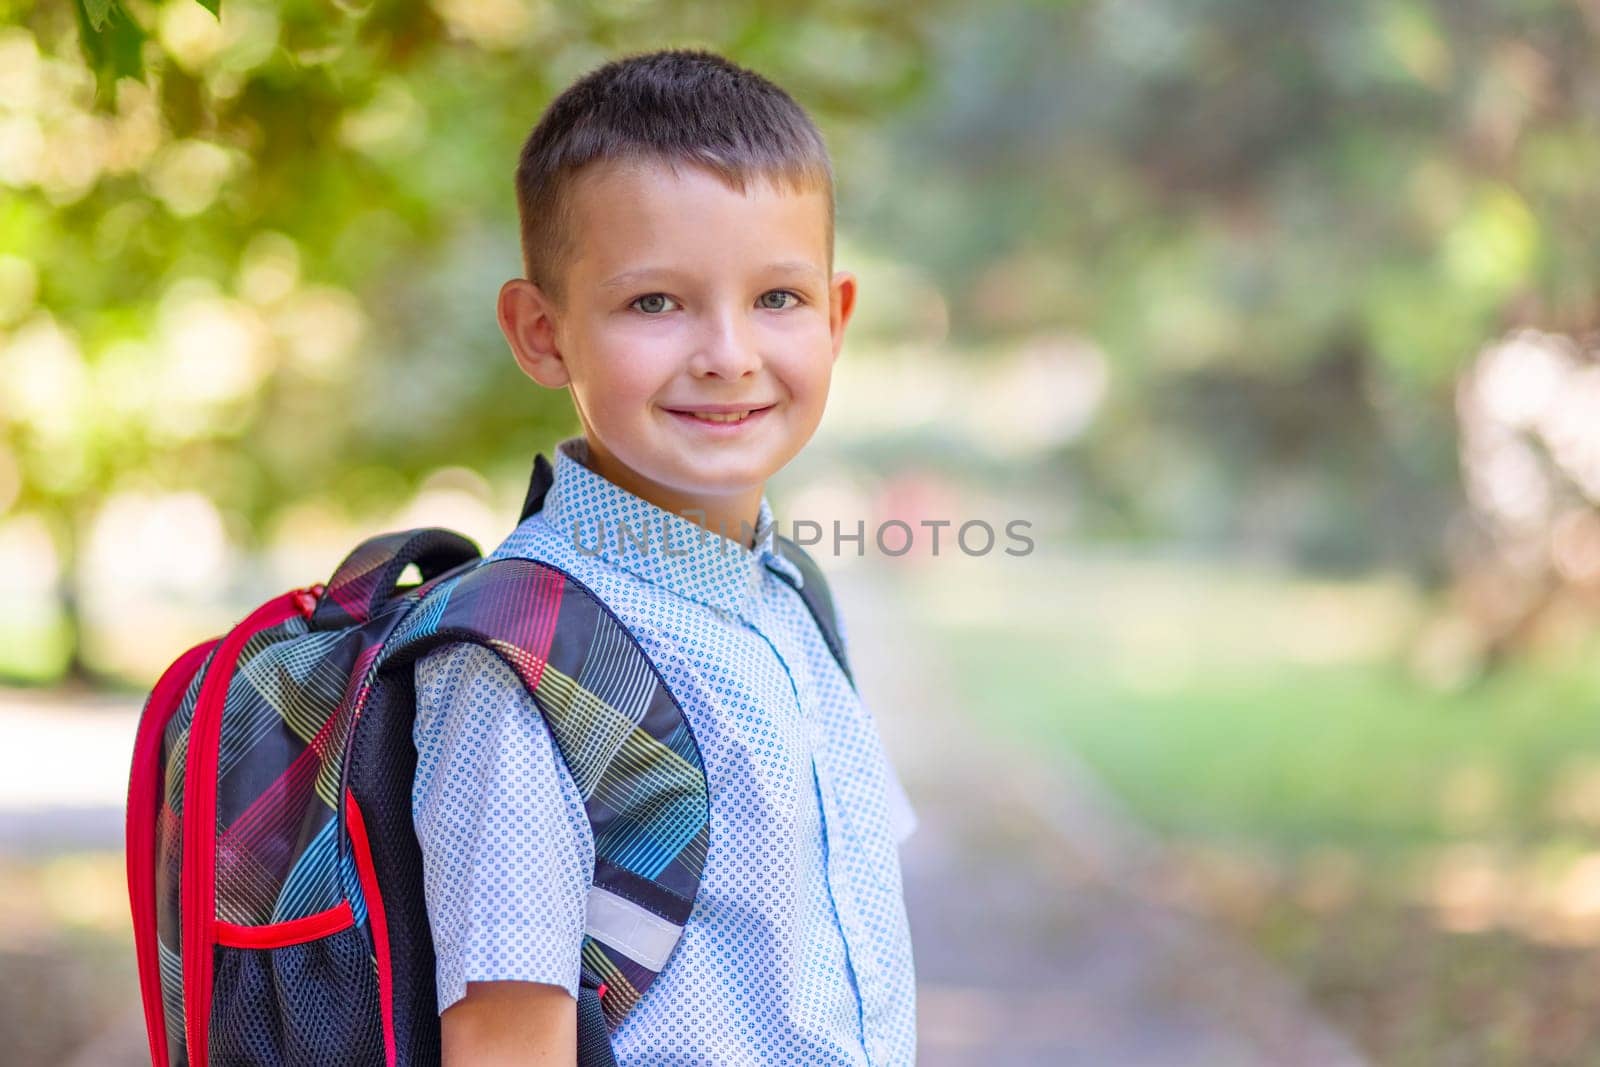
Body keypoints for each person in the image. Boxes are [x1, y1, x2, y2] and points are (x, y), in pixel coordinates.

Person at [410, 48, 920, 1066]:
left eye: (778, 297)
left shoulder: (790, 600)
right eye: (656, 303)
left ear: (837, 314)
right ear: (543, 333)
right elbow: (506, 1047)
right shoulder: (524, 663)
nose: (728, 352)